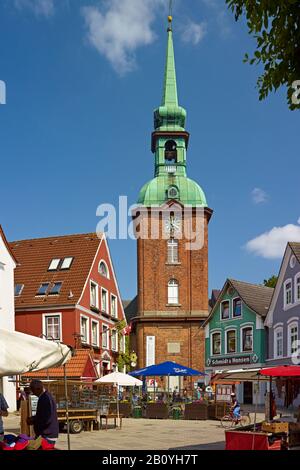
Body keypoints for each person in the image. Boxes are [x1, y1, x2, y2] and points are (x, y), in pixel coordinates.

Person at [26, 380, 59, 446]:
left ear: (38, 389)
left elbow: (47, 418)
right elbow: (42, 415)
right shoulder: (44, 397)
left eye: (33, 390)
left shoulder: (45, 398)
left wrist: (33, 420)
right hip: (45, 434)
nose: (33, 392)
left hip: (47, 435)